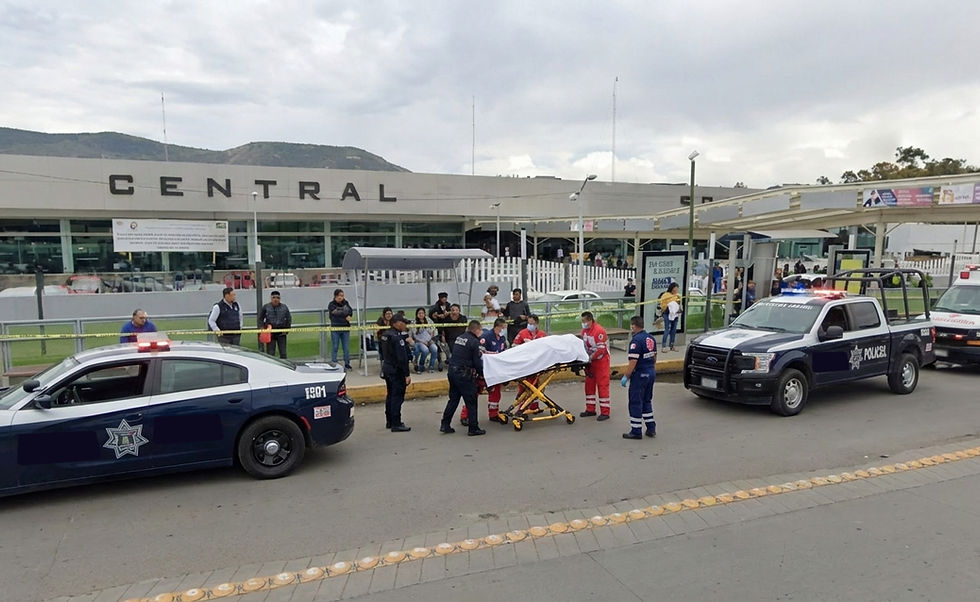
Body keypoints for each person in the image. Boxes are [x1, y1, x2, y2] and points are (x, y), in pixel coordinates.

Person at [440, 319, 486, 436]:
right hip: (464, 374)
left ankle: (445, 424)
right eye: (480, 330)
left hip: (453, 372)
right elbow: (476, 362)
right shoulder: (474, 341)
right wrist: (483, 374)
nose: (481, 332)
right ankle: (473, 428)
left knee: (453, 400)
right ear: (475, 330)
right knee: (471, 401)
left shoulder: (460, 338)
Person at [461, 317, 507, 424]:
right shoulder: (486, 337)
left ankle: (493, 414)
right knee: (474, 392)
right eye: (503, 327)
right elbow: (480, 352)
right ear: (498, 327)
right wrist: (493, 355)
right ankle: (465, 415)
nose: (504, 330)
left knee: (495, 392)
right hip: (482, 369)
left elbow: (503, 352)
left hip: (494, 370)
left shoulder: (502, 339)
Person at [620, 315, 658, 439]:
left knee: (635, 402)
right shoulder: (650, 338)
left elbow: (633, 362)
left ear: (633, 326)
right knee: (647, 400)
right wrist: (651, 368)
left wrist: (626, 376)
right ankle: (651, 428)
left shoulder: (636, 341)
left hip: (640, 374)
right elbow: (654, 357)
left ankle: (636, 430)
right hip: (650, 372)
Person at [379, 315, 412, 432]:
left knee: (390, 395)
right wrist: (407, 374)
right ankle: (396, 423)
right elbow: (402, 358)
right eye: (404, 323)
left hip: (387, 367)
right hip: (396, 370)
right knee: (397, 397)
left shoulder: (385, 335)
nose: (405, 325)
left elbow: (381, 352)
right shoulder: (397, 338)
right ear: (397, 323)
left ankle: (389, 420)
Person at [579, 311, 611, 421]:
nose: (583, 323)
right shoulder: (584, 331)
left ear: (590, 320)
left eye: (584, 321)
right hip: (590, 362)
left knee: (602, 386)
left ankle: (605, 412)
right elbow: (583, 345)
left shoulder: (599, 331)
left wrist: (590, 357)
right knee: (589, 385)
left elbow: (601, 349)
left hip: (601, 362)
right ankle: (590, 409)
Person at [513, 313, 547, 412]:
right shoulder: (522, 333)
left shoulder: (542, 335)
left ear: (536, 324)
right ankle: (522, 408)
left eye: (531, 323)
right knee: (524, 387)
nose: (529, 325)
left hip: (538, 365)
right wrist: (524, 346)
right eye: (528, 323)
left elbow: (546, 349)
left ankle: (534, 407)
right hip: (525, 365)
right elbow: (514, 345)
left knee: (536, 387)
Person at [258, 290, 292, 358]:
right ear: (271, 298)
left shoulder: (284, 307)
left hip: (281, 333)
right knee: (270, 354)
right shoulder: (266, 307)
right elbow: (260, 318)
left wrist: (287, 329)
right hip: (270, 333)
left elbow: (289, 318)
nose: (275, 299)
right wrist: (262, 328)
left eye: (277, 298)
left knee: (283, 353)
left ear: (280, 299)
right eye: (274, 297)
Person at [328, 288, 353, 370]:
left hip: (345, 328)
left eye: (342, 296)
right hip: (335, 328)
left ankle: (347, 363)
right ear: (335, 296)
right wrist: (344, 313)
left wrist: (343, 312)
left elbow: (350, 311)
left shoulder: (346, 303)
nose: (341, 297)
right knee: (335, 346)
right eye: (339, 296)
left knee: (346, 347)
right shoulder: (331, 304)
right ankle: (334, 363)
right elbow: (335, 313)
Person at [429, 292, 452, 371]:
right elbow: (432, 316)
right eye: (443, 298)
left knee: (447, 344)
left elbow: (452, 313)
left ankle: (449, 358)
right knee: (438, 345)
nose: (444, 299)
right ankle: (440, 361)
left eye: (445, 297)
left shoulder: (449, 306)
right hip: (438, 329)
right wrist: (437, 316)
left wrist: (448, 313)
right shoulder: (435, 307)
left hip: (448, 328)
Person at [412, 307, 438, 373]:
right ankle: (421, 365)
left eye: (422, 313)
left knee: (434, 349)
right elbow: (415, 336)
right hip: (419, 342)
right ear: (417, 314)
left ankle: (431, 366)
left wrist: (428, 340)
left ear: (425, 314)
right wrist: (423, 342)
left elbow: (432, 331)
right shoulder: (414, 322)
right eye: (419, 313)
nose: (421, 315)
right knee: (425, 350)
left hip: (429, 340)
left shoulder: (429, 320)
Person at [660, 282, 682, 352]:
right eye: (675, 288)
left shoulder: (677, 296)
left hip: (675, 315)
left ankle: (672, 345)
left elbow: (679, 303)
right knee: (667, 329)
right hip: (667, 314)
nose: (676, 290)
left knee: (673, 330)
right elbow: (663, 305)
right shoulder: (665, 295)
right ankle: (664, 346)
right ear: (671, 288)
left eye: (677, 289)